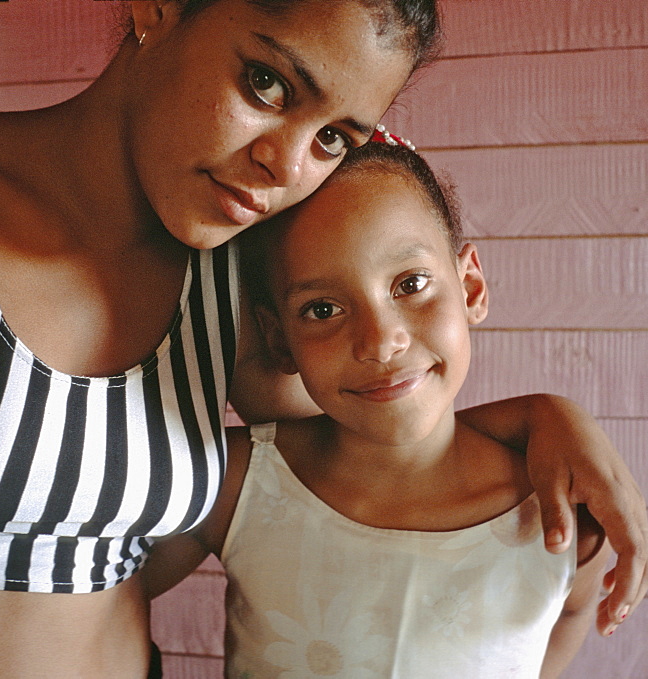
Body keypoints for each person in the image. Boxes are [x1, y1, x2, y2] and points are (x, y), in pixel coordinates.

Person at [0, 1, 648, 676]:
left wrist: (543, 418)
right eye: (268, 84)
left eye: (333, 137)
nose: (285, 165)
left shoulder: (230, 276)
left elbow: (379, 414)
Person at [145, 135, 611, 677]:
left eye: (411, 284)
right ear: (278, 340)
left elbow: (571, 613)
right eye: (323, 309)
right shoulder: (237, 482)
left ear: (471, 287)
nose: (379, 340)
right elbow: (92, 595)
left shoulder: (559, 510)